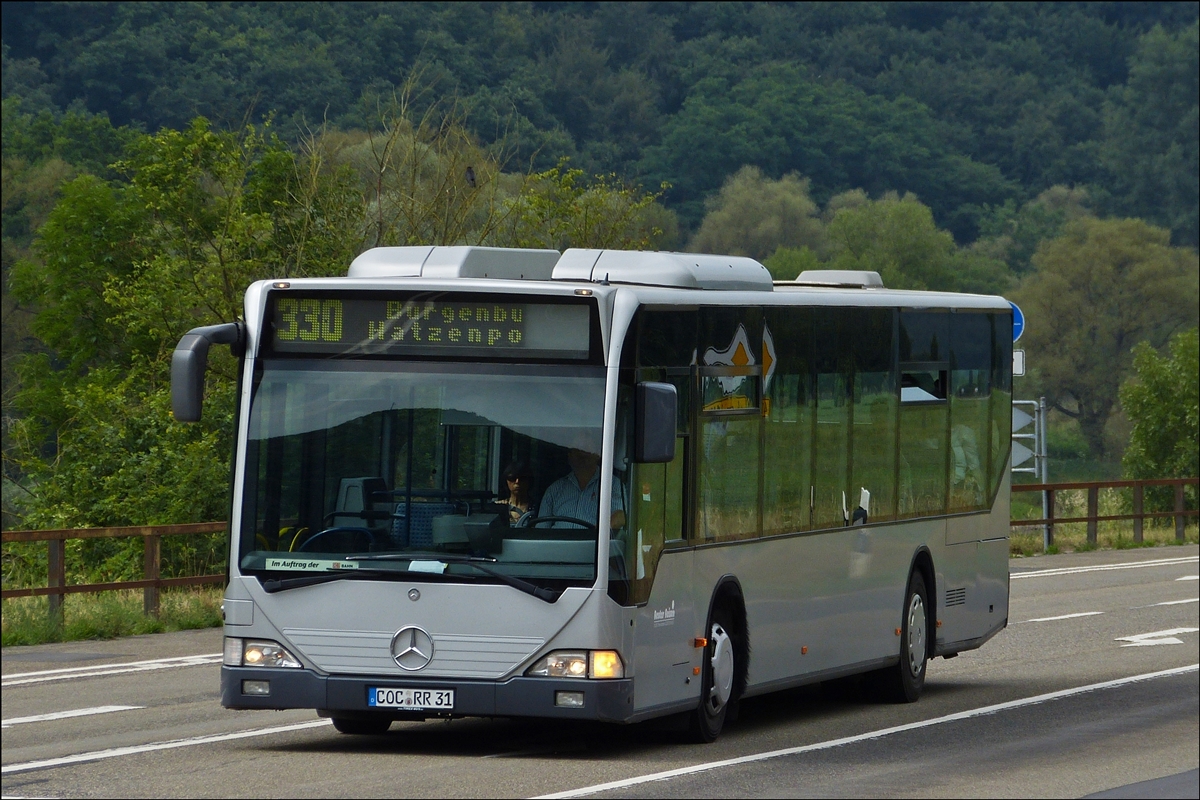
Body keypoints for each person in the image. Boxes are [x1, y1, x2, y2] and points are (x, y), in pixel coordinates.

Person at [539, 448, 626, 531]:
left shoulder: (613, 485)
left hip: (597, 544)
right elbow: (540, 532)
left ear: (598, 454)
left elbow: (622, 515)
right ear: (569, 456)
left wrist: (603, 531)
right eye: (577, 449)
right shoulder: (555, 489)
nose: (582, 453)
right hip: (556, 545)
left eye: (586, 449)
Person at [498, 461, 535, 526]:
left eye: (522, 478)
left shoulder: (538, 508)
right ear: (506, 481)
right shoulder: (498, 507)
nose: (517, 482)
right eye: (512, 478)